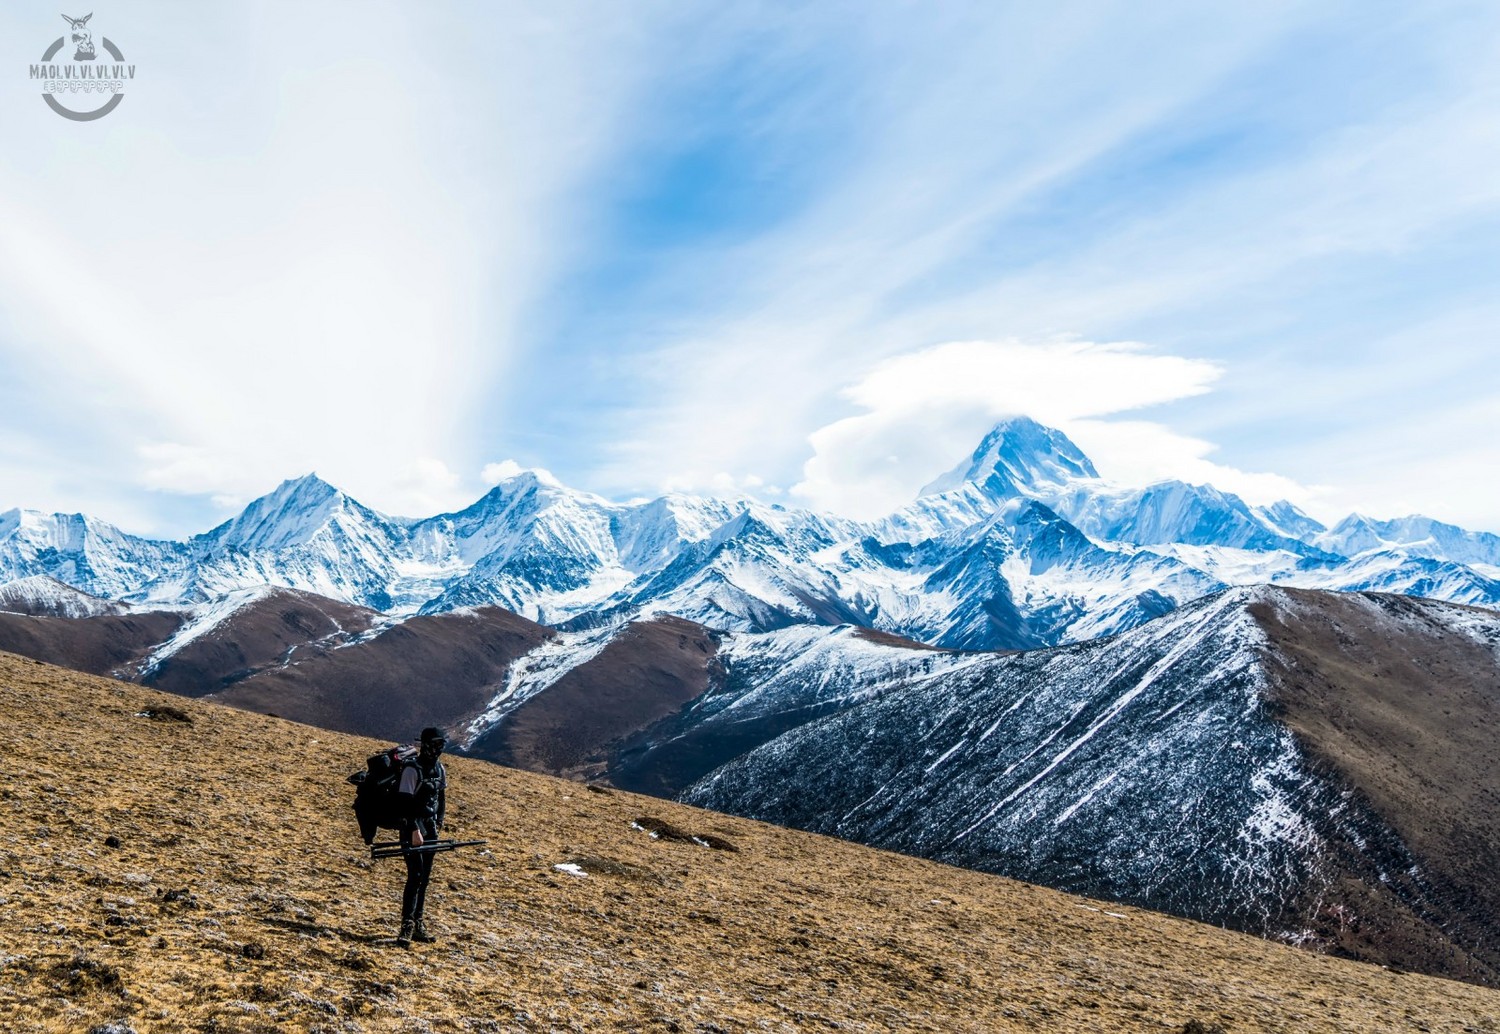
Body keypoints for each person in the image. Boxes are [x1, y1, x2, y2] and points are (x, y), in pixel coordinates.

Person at [395, 726, 448, 948]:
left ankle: (418, 923)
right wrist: (415, 830)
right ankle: (407, 924)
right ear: (425, 744)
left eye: (441, 745)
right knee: (415, 875)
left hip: (430, 827)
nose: (438, 749)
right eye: (435, 744)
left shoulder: (439, 769)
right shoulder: (411, 769)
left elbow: (441, 796)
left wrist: (438, 821)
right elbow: (404, 803)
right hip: (411, 828)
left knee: (424, 878)